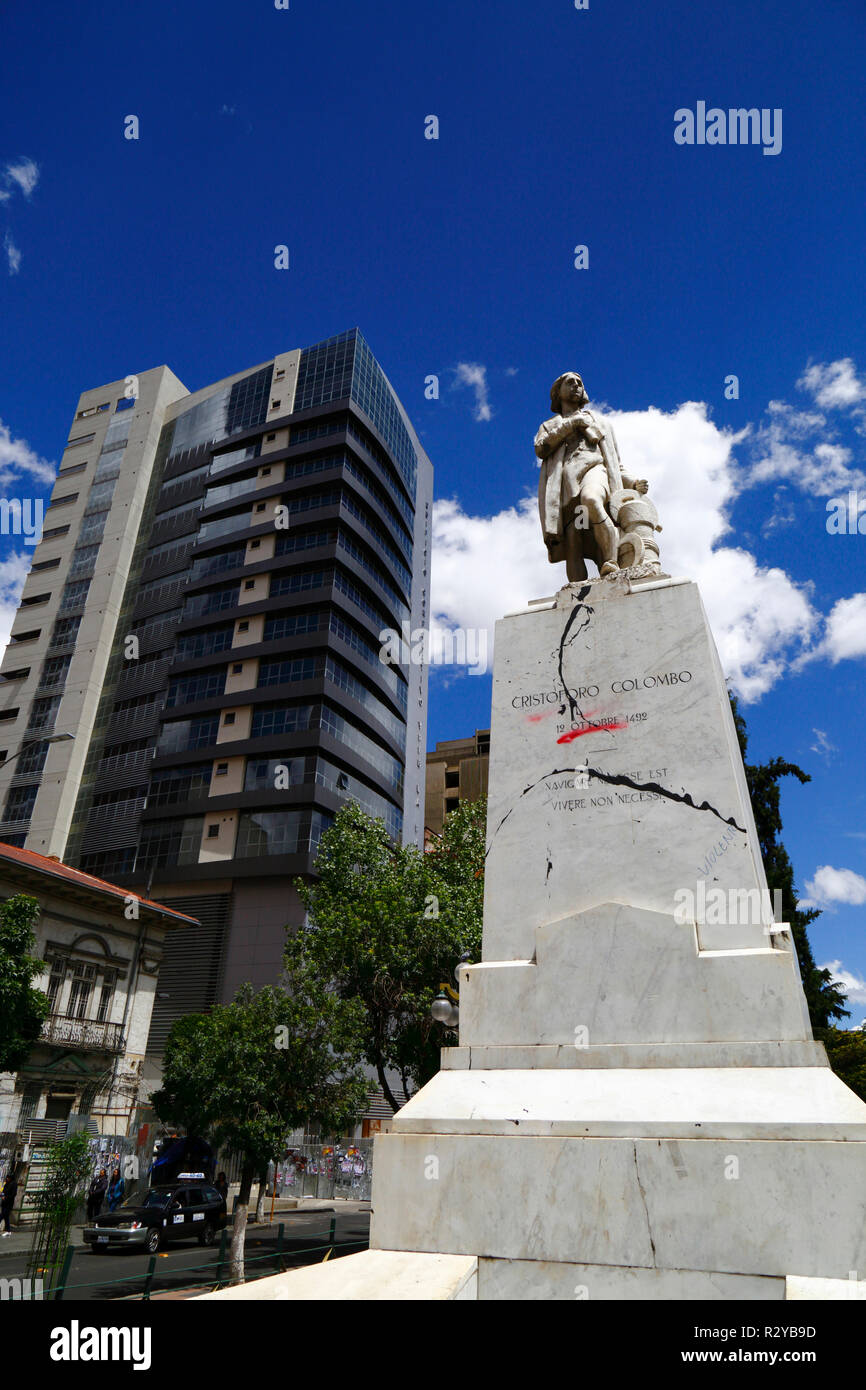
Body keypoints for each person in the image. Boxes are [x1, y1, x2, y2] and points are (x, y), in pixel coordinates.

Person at [535, 372, 649, 582]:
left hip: (594, 471)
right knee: (573, 538)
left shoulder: (601, 423)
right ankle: (577, 592)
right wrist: (571, 424)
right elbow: (541, 448)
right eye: (570, 383)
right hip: (565, 483)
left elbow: (614, 463)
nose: (576, 386)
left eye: (580, 383)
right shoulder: (549, 426)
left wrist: (632, 482)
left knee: (591, 499)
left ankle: (610, 561)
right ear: (557, 393)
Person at [0, 1169, 18, 1235]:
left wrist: (6, 1197)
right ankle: (8, 1231)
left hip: (9, 1204)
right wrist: (2, 1195)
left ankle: (8, 1231)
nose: (7, 1178)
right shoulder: (6, 1184)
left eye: (9, 1177)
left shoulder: (14, 1184)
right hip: (4, 1203)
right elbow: (3, 1191)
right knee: (6, 1217)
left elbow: (13, 1194)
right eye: (7, 1177)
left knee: (1, 1216)